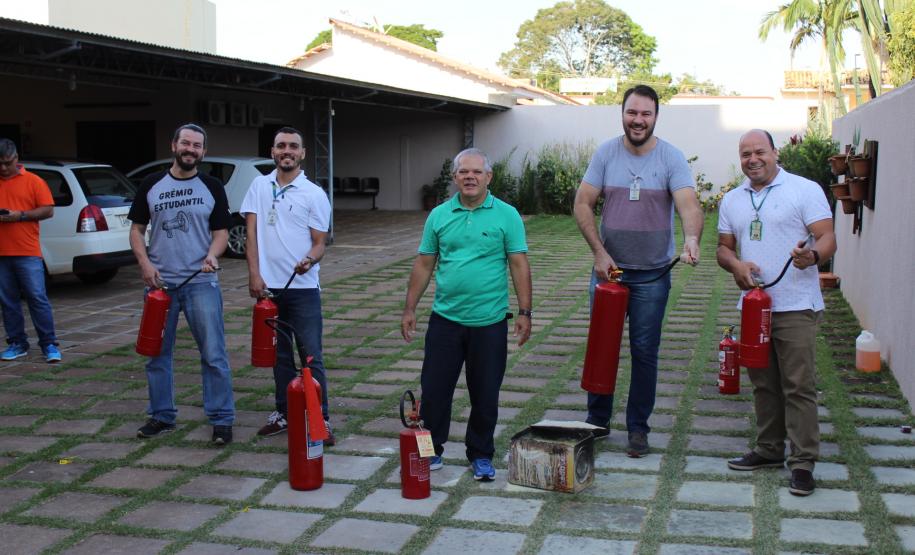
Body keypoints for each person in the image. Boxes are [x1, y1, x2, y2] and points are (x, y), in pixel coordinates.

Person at [573, 85, 703, 457]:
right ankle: (596, 422)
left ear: (656, 117)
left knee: (645, 352)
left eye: (645, 114)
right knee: (603, 347)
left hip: (653, 276)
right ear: (622, 114)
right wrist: (599, 253)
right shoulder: (606, 154)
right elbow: (582, 203)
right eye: (632, 113)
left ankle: (638, 428)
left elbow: (689, 206)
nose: (638, 120)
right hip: (609, 273)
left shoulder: (671, 158)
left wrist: (691, 238)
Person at [401, 147, 532, 481]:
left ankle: (481, 455)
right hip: (445, 321)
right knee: (434, 392)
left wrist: (525, 311)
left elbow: (519, 264)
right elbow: (424, 263)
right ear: (455, 177)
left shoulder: (507, 215)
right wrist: (410, 308)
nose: (470, 177)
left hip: (488, 324)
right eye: (463, 172)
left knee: (485, 394)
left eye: (477, 172)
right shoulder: (439, 216)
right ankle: (432, 453)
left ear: (488, 177)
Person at [717, 129, 836, 496]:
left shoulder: (804, 189)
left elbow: (828, 237)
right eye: (745, 154)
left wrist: (813, 256)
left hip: (796, 304)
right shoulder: (733, 199)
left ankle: (802, 463)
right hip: (754, 306)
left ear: (775, 152)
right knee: (763, 382)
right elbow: (723, 249)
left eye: (759, 152)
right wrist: (736, 265)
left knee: (797, 385)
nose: (753, 159)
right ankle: (769, 449)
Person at [128, 123, 235, 446]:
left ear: (203, 151)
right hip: (160, 285)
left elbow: (222, 233)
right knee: (156, 353)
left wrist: (213, 256)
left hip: (201, 282)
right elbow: (136, 230)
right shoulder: (151, 184)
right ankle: (161, 415)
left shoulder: (212, 186)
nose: (191, 149)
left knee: (214, 354)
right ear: (174, 145)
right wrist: (145, 264)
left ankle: (222, 419)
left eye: (197, 146)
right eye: (186, 143)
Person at [241, 126, 334, 444]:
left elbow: (321, 242)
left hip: (304, 289)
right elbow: (250, 234)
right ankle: (283, 413)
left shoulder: (314, 194)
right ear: (273, 152)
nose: (287, 151)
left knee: (311, 356)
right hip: (269, 290)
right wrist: (254, 273)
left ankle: (320, 420)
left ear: (303, 153)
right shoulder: (258, 185)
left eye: (293, 146)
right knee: (279, 357)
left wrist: (310, 258)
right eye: (281, 146)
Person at [0, 138, 62, 364]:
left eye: (7, 162)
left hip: (27, 251)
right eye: (0, 164)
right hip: (1, 253)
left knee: (37, 298)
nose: (3, 168)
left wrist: (20, 216)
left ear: (16, 158)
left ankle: (49, 344)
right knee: (7, 301)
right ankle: (17, 343)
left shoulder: (34, 181)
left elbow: (48, 210)